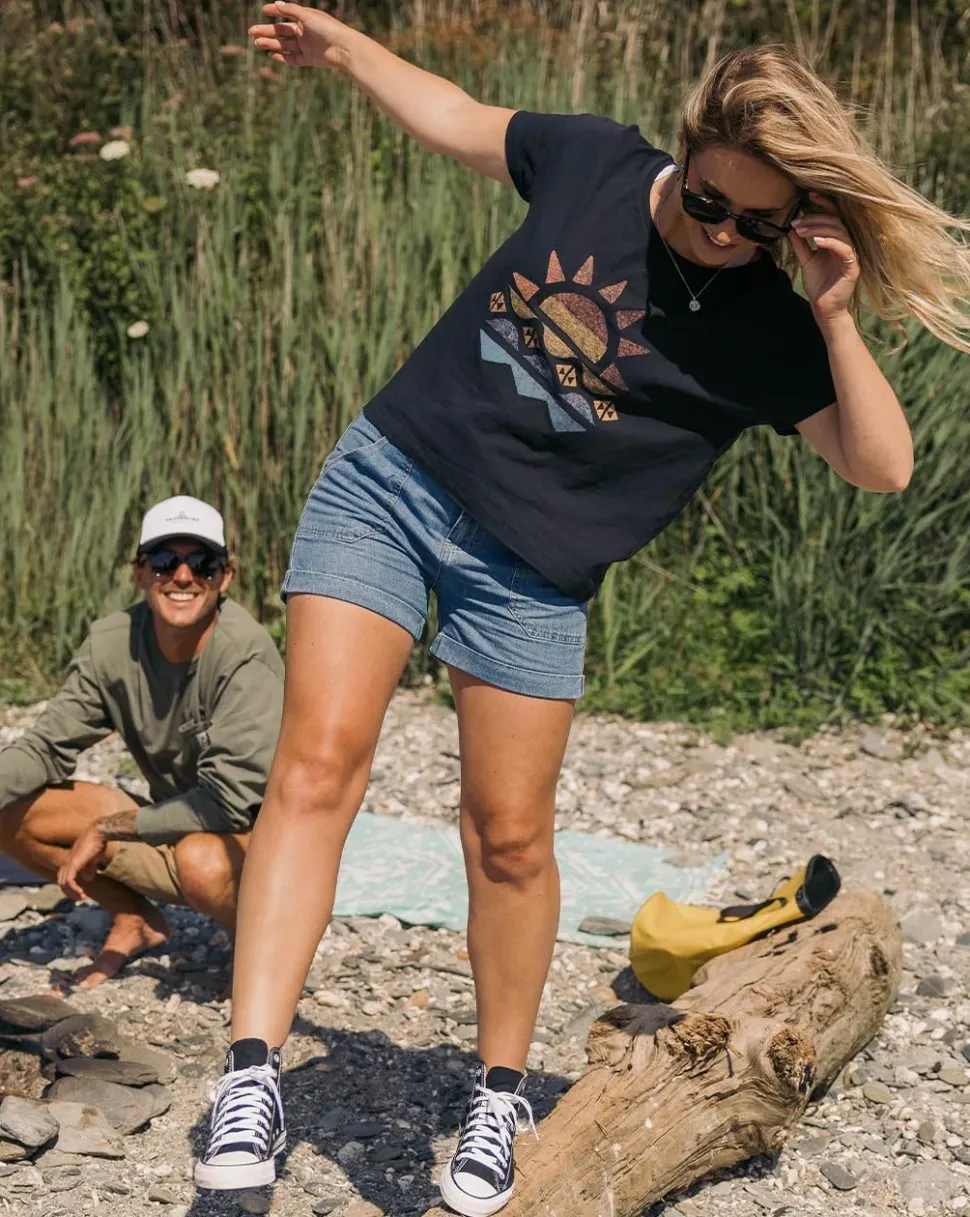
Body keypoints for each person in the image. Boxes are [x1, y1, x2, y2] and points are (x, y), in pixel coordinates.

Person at [196, 6, 970, 1212]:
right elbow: (454, 116)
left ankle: (499, 1093)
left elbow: (882, 465)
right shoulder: (597, 161)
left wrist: (828, 311)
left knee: (508, 836)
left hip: (533, 573)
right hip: (391, 483)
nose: (723, 236)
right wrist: (345, 51)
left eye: (758, 224)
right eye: (709, 204)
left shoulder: (768, 320)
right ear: (684, 150)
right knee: (318, 764)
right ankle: (252, 1070)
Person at [0, 496, 284, 990]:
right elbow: (45, 747)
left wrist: (108, 828)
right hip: (168, 818)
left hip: (249, 838)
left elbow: (230, 803)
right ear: (139, 573)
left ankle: (265, 947)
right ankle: (135, 919)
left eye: (202, 563)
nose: (182, 577)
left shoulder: (245, 655)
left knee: (200, 861)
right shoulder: (112, 643)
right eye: (163, 561)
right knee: (10, 811)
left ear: (225, 577)